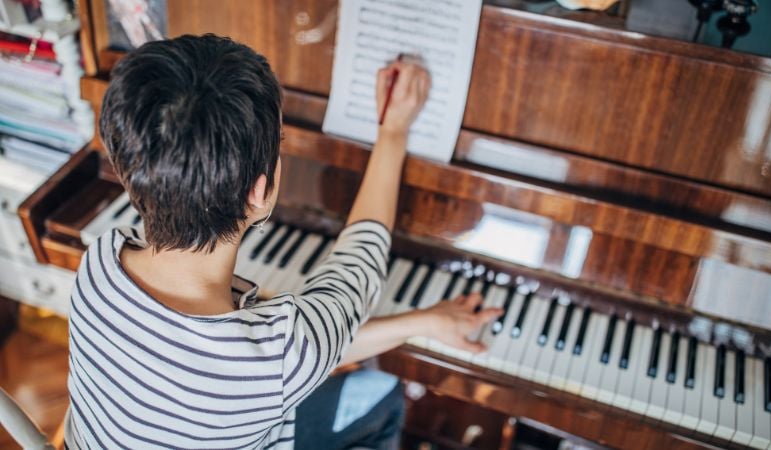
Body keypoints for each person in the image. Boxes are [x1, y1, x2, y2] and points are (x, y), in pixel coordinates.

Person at [64, 34, 502, 449]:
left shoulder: (100, 262)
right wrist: (393, 132)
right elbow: (359, 265)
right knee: (383, 394)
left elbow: (289, 358)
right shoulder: (280, 357)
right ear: (260, 191)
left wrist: (424, 322)